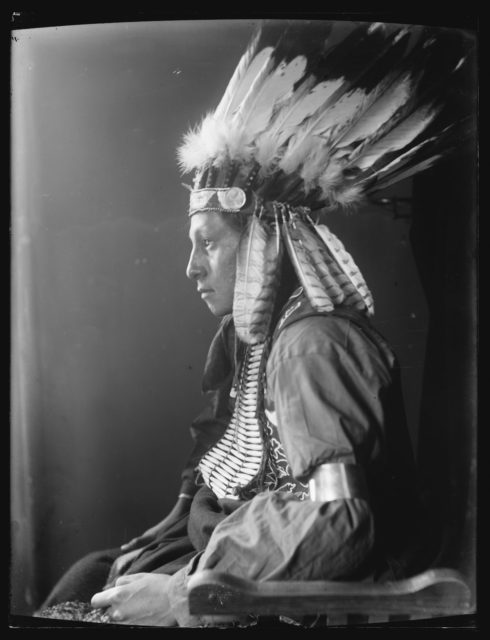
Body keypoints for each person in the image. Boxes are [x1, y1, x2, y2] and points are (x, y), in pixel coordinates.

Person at [36, 20, 466, 627]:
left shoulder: (312, 346)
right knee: (86, 575)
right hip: (233, 548)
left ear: (263, 240)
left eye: (208, 244)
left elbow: (337, 517)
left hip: (304, 594)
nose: (191, 268)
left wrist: (182, 595)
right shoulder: (261, 335)